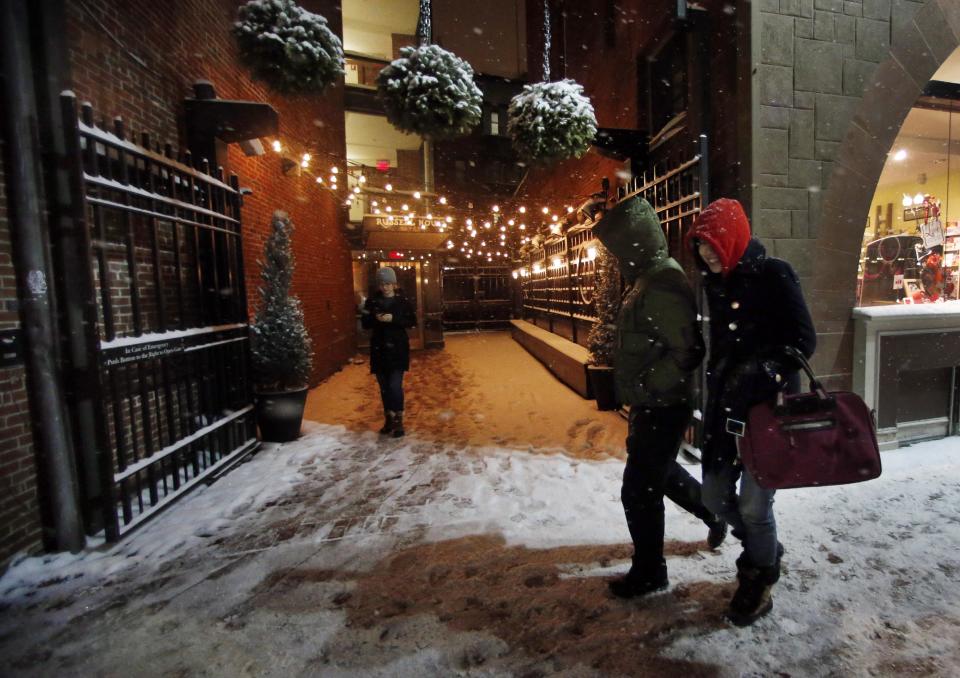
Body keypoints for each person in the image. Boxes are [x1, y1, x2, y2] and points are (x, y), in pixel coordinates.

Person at [685, 198, 816, 626]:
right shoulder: (717, 282)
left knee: (756, 508)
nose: (707, 254)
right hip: (725, 407)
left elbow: (803, 340)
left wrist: (761, 370)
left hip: (766, 412)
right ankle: (764, 548)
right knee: (715, 496)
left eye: (713, 244)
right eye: (701, 247)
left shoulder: (774, 274)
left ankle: (760, 577)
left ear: (735, 238)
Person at [592, 195, 727, 599]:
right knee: (662, 475)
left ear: (633, 244)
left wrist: (649, 385)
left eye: (617, 248)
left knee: (638, 490)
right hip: (651, 402)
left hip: (663, 404)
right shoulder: (647, 276)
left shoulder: (662, 281)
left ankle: (650, 571)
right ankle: (713, 512)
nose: (614, 257)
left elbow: (686, 351)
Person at [360, 266, 417, 437]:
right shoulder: (373, 302)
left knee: (394, 386)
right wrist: (371, 317)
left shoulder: (402, 302)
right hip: (379, 349)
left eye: (388, 283)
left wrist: (394, 319)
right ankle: (389, 419)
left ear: (394, 284)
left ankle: (399, 420)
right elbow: (365, 324)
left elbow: (411, 321)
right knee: (384, 388)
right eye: (382, 284)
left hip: (398, 349)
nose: (385, 287)